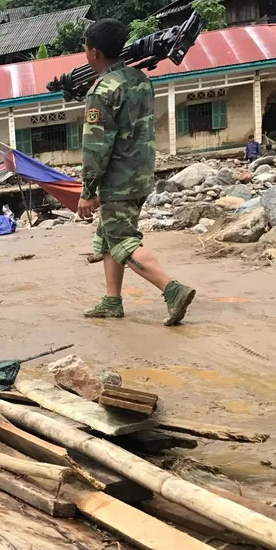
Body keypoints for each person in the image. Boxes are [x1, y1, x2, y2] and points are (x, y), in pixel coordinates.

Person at [78, 18, 196, 325]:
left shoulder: (102, 90)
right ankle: (112, 300)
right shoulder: (140, 79)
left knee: (122, 241)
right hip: (142, 175)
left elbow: (96, 146)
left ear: (94, 52)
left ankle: (172, 290)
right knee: (109, 236)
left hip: (117, 181)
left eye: (85, 49)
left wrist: (88, 191)